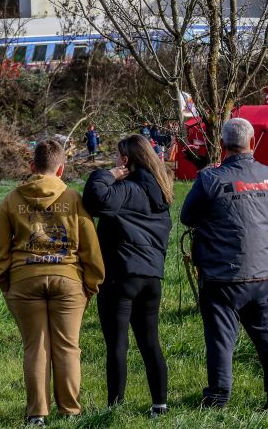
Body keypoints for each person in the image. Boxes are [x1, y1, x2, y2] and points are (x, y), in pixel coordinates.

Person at [0, 140, 105, 426]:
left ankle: (36, 415)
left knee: (35, 347)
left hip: (24, 280)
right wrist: (91, 283)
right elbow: (91, 248)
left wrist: (5, 281)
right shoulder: (73, 197)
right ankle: (69, 412)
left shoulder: (11, 200)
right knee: (68, 347)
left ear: (31, 167)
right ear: (61, 168)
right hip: (68, 280)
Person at [180, 117, 268, 411]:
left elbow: (187, 217)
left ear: (221, 145)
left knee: (220, 340)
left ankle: (218, 398)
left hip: (221, 275)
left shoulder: (210, 179)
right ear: (252, 142)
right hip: (261, 272)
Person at [83, 134, 173, 418]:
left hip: (122, 275)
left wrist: (106, 174)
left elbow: (95, 200)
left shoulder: (128, 190)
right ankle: (160, 404)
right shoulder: (162, 192)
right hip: (152, 278)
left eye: (117, 156)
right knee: (150, 342)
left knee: (117, 343)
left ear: (126, 160)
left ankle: (115, 407)